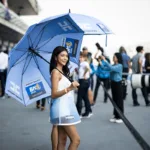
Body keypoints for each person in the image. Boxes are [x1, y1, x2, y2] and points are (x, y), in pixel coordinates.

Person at [50, 46, 81, 150]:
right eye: (62, 55)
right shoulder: (55, 72)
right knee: (76, 140)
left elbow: (66, 89)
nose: (65, 58)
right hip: (61, 110)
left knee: (62, 141)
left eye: (66, 56)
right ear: (55, 57)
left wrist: (72, 87)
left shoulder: (63, 71)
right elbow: (53, 94)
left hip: (66, 108)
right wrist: (69, 88)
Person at [100, 53, 124, 123]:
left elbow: (111, 68)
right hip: (113, 83)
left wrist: (105, 60)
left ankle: (120, 117)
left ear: (118, 58)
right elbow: (105, 68)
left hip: (118, 84)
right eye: (113, 56)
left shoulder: (119, 65)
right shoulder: (113, 65)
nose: (113, 58)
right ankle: (116, 115)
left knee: (119, 100)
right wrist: (101, 62)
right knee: (115, 100)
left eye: (114, 57)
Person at [76, 52, 92, 118]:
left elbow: (87, 69)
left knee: (79, 97)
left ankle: (79, 113)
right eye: (79, 57)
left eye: (81, 57)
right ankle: (87, 112)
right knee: (85, 97)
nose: (80, 58)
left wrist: (84, 75)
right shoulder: (83, 63)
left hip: (83, 81)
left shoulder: (83, 63)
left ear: (84, 58)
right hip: (85, 81)